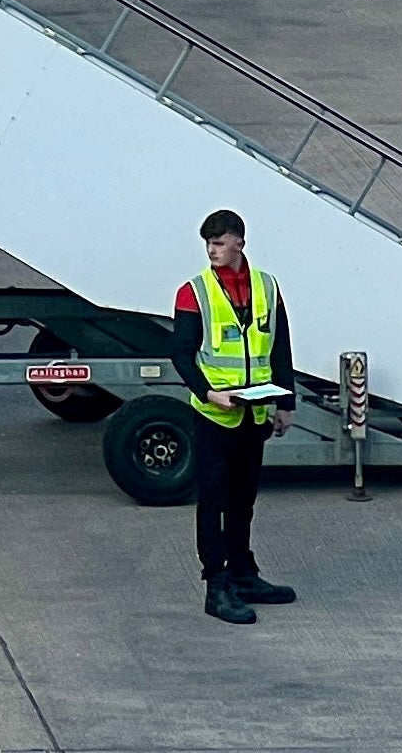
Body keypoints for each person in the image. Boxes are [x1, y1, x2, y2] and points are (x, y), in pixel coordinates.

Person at [171, 207, 300, 622]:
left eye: (220, 242)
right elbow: (181, 354)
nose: (212, 249)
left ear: (240, 242)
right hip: (215, 416)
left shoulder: (266, 285)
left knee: (243, 499)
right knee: (213, 501)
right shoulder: (194, 292)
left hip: (256, 415)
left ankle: (244, 573)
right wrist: (208, 393)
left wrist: (286, 403)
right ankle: (217, 586)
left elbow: (280, 347)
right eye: (208, 242)